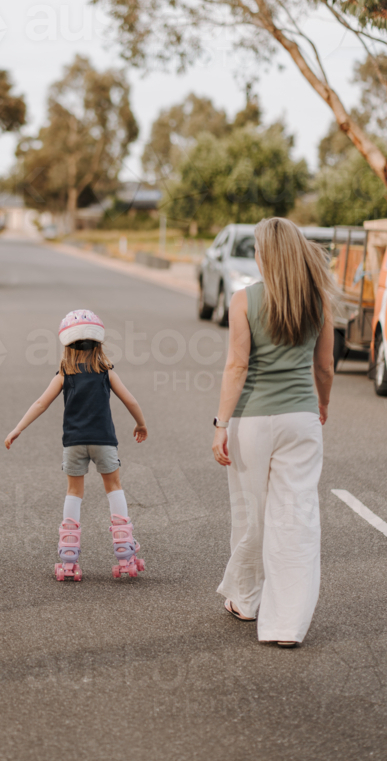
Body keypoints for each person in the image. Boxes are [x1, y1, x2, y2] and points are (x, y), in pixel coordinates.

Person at [212, 217, 334, 647]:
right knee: (296, 518)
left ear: (265, 255)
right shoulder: (318, 301)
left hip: (251, 421)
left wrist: (220, 424)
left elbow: (237, 366)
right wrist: (321, 404)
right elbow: (324, 367)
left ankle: (245, 600)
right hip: (300, 418)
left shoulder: (244, 300)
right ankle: (286, 626)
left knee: (252, 513)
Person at [5, 309, 148, 580]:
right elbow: (130, 400)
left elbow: (41, 403)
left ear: (66, 346)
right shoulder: (106, 371)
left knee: (74, 493)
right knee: (114, 488)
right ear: (99, 344)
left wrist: (18, 428)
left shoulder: (64, 373)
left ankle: (68, 560)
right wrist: (141, 424)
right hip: (104, 441)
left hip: (74, 443)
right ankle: (125, 554)